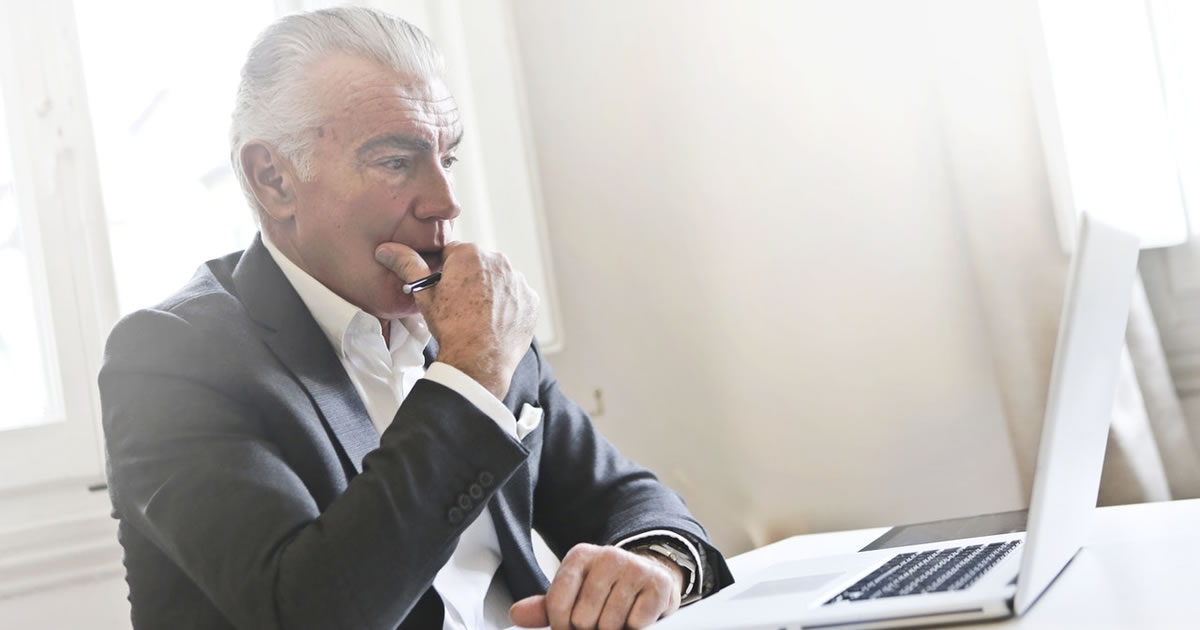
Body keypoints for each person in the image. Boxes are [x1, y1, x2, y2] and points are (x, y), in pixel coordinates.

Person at [99, 7, 732, 630]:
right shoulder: (167, 359)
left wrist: (657, 561)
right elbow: (309, 612)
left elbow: (627, 498)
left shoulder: (468, 321)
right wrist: (470, 375)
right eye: (396, 162)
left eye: (446, 159)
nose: (446, 202)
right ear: (274, 181)